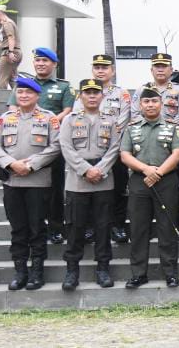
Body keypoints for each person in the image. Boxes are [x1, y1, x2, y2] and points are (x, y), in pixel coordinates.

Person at [0, 77, 60, 291]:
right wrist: (12, 164)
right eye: (20, 92)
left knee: (37, 228)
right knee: (18, 229)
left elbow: (56, 146)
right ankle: (20, 271)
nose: (23, 95)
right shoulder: (4, 119)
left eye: (28, 92)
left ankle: (37, 272)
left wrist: (30, 165)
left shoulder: (49, 118)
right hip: (12, 181)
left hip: (38, 181)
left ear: (37, 95)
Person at [58, 79, 122, 290]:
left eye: (96, 92)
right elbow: (66, 147)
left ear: (102, 96)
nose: (92, 96)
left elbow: (115, 148)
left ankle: (103, 269)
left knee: (103, 227)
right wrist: (86, 170)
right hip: (78, 181)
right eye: (88, 92)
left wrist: (99, 170)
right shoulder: (69, 120)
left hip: (103, 180)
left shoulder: (111, 120)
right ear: (81, 96)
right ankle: (72, 270)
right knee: (75, 227)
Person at [119, 86, 179, 289]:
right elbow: (125, 155)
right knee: (138, 229)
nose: (150, 105)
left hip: (166, 180)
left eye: (154, 101)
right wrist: (146, 169)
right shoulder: (131, 128)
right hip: (139, 181)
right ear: (140, 105)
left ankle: (170, 273)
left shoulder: (173, 127)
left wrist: (158, 173)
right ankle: (139, 274)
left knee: (167, 229)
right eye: (146, 102)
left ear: (161, 104)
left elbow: (177, 153)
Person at [7, 48, 74, 245]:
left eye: (45, 60)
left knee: (55, 188)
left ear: (54, 64)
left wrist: (47, 122)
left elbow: (68, 111)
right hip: (24, 141)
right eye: (38, 60)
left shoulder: (63, 86)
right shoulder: (23, 85)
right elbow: (12, 108)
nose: (41, 64)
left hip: (52, 142)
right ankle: (31, 228)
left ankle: (55, 228)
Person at [130, 52, 179, 240]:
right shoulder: (142, 90)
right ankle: (145, 228)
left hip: (169, 144)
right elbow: (135, 113)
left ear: (171, 70)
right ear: (152, 69)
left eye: (164, 66)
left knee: (172, 189)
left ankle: (176, 225)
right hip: (145, 143)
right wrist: (150, 123)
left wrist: (164, 125)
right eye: (157, 66)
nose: (161, 69)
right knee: (142, 193)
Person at [73, 54, 131, 244]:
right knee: (88, 189)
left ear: (112, 71)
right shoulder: (83, 93)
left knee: (119, 189)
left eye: (104, 67)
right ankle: (90, 227)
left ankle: (117, 225)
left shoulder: (121, 94)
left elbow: (122, 121)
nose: (100, 71)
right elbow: (77, 117)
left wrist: (109, 141)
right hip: (89, 148)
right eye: (97, 67)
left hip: (115, 149)